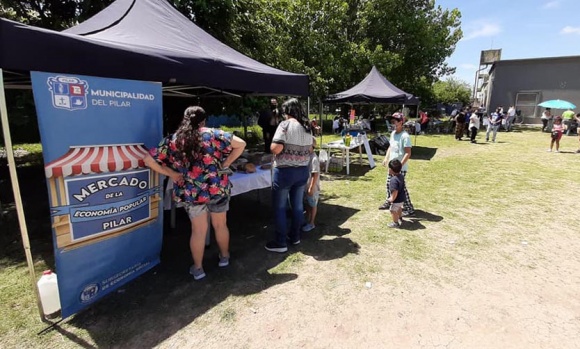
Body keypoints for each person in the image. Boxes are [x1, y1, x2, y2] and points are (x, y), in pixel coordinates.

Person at [144, 106, 246, 280]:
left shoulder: (174, 139)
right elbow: (241, 144)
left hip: (191, 192)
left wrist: (172, 174)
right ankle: (224, 257)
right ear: (203, 120)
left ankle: (198, 269)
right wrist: (226, 163)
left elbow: (148, 160)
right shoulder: (214, 134)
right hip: (217, 188)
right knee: (220, 225)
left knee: (198, 231)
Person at [265, 98, 313, 253]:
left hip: (285, 171)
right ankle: (295, 236)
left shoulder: (284, 125)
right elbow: (311, 149)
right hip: (302, 171)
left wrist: (273, 146)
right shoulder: (307, 127)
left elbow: (276, 148)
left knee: (280, 207)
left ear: (287, 112)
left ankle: (280, 242)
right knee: (298, 206)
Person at [378, 113, 415, 216]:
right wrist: (386, 158)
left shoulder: (405, 136)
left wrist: (399, 167)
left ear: (401, 122)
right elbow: (390, 147)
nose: (392, 123)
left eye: (395, 121)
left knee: (400, 188)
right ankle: (389, 201)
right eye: (392, 121)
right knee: (389, 184)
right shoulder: (393, 133)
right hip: (392, 166)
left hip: (400, 168)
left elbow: (408, 153)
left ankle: (409, 208)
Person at [302, 137, 320, 232]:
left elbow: (315, 174)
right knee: (308, 204)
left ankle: (312, 222)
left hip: (312, 187)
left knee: (313, 204)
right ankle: (308, 219)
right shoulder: (307, 157)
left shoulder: (314, 159)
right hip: (306, 186)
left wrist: (311, 187)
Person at [385, 159, 406, 228]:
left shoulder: (393, 180)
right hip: (402, 198)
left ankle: (395, 223)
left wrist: (391, 199)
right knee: (399, 208)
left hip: (397, 200)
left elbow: (395, 192)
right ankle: (400, 217)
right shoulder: (401, 176)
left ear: (391, 170)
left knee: (393, 210)